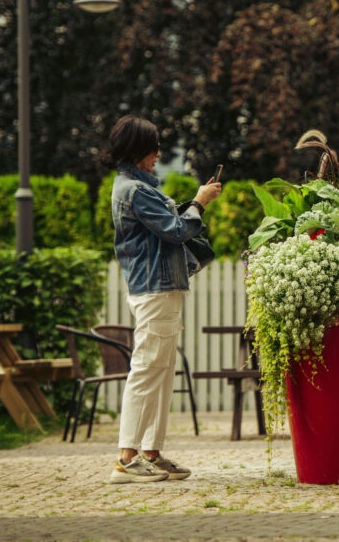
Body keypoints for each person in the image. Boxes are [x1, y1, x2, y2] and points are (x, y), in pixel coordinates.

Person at [100, 115, 222, 483]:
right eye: (152, 147)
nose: (158, 154)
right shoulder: (134, 190)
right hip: (155, 289)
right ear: (138, 150)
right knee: (146, 371)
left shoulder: (136, 186)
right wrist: (199, 203)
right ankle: (126, 459)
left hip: (159, 288)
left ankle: (150, 453)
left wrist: (194, 205)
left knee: (161, 373)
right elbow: (175, 231)